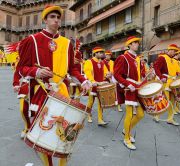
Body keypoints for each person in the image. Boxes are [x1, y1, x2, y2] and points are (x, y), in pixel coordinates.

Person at [16, 5, 91, 166]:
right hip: (41, 91)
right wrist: (36, 72)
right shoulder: (32, 40)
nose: (56, 20)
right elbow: (21, 68)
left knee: (65, 133)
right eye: (52, 17)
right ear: (45, 19)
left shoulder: (67, 43)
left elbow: (73, 68)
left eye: (58, 17)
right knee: (44, 136)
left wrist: (83, 80)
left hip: (62, 91)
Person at [114, 36, 145, 150]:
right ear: (130, 45)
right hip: (129, 88)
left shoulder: (136, 58)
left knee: (141, 114)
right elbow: (116, 75)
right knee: (129, 114)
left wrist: (147, 77)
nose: (137, 44)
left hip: (137, 87)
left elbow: (139, 75)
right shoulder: (123, 57)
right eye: (135, 43)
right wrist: (127, 84)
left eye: (137, 42)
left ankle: (126, 129)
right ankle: (126, 138)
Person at [153, 44, 180, 125]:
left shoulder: (174, 60)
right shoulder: (162, 57)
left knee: (172, 101)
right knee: (165, 101)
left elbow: (175, 71)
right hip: (165, 82)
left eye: (176, 52)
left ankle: (170, 119)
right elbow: (156, 67)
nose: (175, 53)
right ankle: (156, 116)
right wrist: (161, 77)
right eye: (174, 51)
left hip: (173, 82)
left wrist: (179, 74)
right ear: (170, 50)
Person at [84, 46, 111, 126]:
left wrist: (108, 74)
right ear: (95, 53)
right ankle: (88, 115)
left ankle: (100, 119)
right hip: (93, 85)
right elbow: (87, 72)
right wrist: (92, 81)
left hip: (100, 85)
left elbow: (106, 72)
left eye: (102, 52)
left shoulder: (102, 62)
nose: (101, 54)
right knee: (90, 102)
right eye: (100, 52)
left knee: (100, 103)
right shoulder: (89, 62)